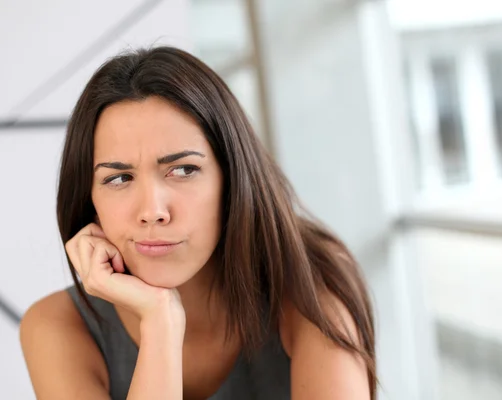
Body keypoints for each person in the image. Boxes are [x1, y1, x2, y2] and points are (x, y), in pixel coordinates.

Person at [19, 46, 376, 400]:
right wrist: (161, 322)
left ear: (232, 178)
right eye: (119, 178)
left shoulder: (311, 283)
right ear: (90, 200)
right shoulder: (57, 326)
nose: (153, 211)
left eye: (183, 170)